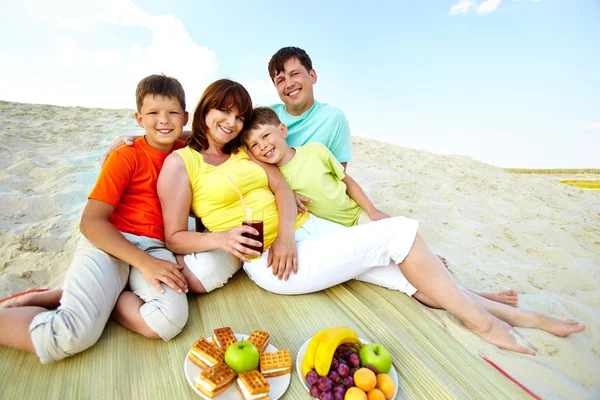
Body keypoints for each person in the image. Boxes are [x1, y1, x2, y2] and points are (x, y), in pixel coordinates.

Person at [158, 79, 585, 355]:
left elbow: (281, 188)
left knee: (404, 275)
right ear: (206, 109)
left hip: (305, 233)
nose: (232, 122)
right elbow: (175, 235)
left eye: (238, 114)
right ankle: (483, 322)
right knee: (396, 233)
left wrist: (287, 230)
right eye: (224, 112)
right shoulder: (183, 164)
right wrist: (221, 239)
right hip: (270, 261)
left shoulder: (242, 151)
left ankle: (519, 316)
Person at [241, 107, 520, 306]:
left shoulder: (314, 151)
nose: (263, 146)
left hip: (356, 216)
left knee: (415, 260)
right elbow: (278, 198)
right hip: (333, 232)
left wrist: (372, 211)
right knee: (402, 276)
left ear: (282, 130)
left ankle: (478, 295)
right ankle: (474, 297)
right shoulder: (273, 178)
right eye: (254, 145)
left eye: (266, 136)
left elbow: (347, 182)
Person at [0, 74, 191, 364]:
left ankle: (79, 294)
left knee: (170, 320)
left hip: (155, 245)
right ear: (139, 118)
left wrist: (149, 259)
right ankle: (39, 303)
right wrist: (145, 263)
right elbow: (90, 223)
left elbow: (205, 133)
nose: (163, 120)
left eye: (172, 112)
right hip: (111, 242)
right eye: (153, 113)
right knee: (71, 335)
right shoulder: (125, 155)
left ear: (184, 117)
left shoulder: (185, 151)